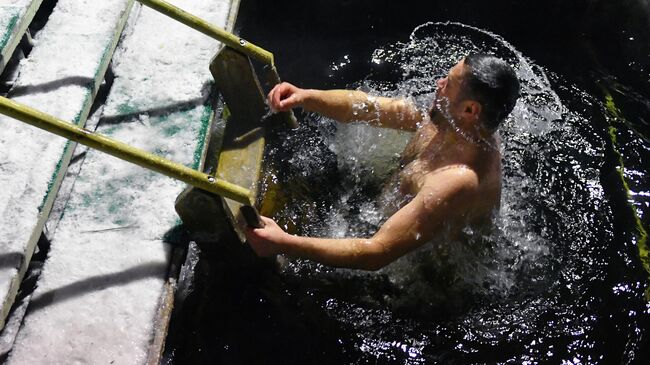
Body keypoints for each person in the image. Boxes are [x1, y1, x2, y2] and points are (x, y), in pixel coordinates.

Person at [245, 54, 520, 270]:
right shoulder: (453, 122)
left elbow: (377, 253)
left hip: (425, 274)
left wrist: (285, 243)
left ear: (470, 110)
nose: (439, 84)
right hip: (384, 220)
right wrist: (306, 97)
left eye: (448, 82)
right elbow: (368, 108)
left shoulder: (458, 181)